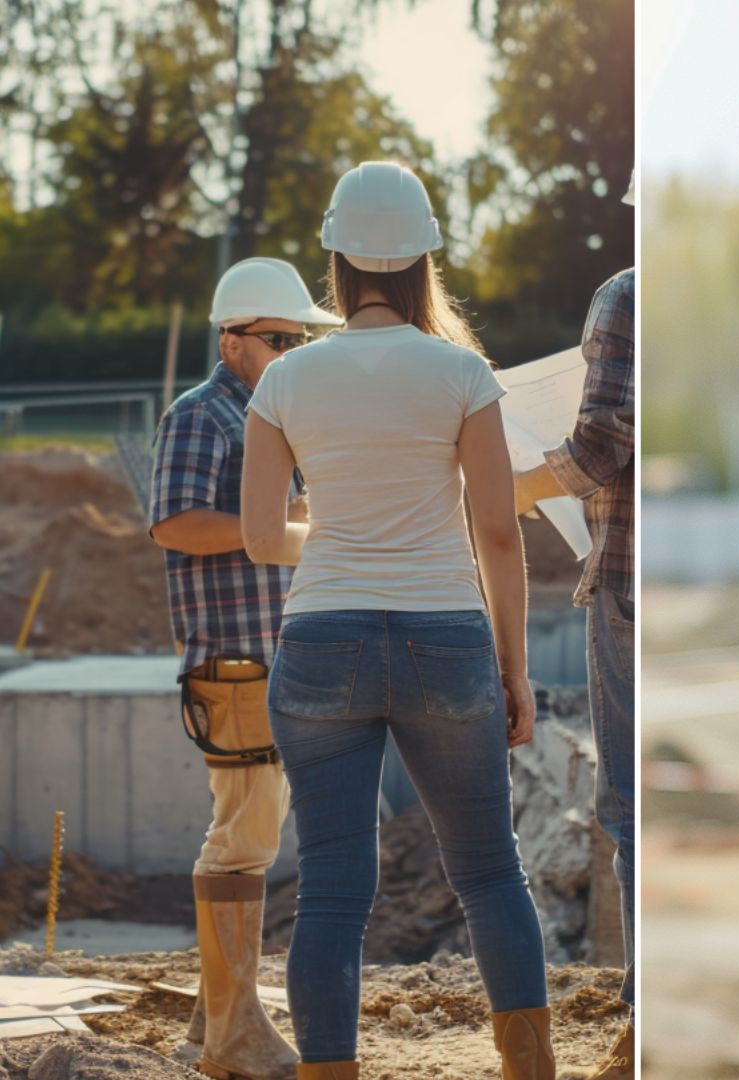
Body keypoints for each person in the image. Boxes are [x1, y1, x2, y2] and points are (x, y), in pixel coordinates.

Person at [239, 161, 551, 1080]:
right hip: (444, 640)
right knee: (490, 872)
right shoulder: (461, 373)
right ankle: (530, 1068)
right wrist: (514, 668)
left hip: (320, 642)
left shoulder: (285, 381)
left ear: (335, 260)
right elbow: (496, 531)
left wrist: (340, 539)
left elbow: (261, 537)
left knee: (332, 888)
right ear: (423, 262)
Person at [149, 256, 343, 1080]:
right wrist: (266, 522)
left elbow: (278, 529)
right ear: (232, 341)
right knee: (242, 840)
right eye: (278, 339)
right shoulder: (205, 417)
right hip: (233, 662)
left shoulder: (272, 418)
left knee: (245, 832)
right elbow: (174, 524)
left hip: (268, 654)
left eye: (299, 340)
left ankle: (212, 1020)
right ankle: (233, 1037)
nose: (293, 353)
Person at [513, 173, 635, 1080]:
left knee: (629, 803)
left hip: (630, 584)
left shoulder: (629, 296)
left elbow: (597, 449)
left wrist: (506, 487)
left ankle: (646, 997)